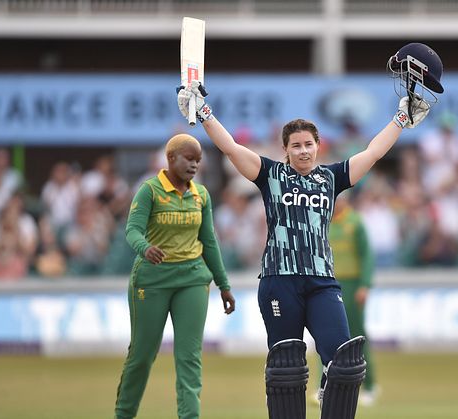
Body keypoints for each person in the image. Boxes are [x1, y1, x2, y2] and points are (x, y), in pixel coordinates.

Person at [177, 42, 441, 419]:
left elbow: (373, 153)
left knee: (345, 363)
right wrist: (202, 112)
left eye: (309, 144)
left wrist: (400, 120)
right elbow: (233, 149)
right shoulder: (271, 175)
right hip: (279, 279)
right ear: (285, 150)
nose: (303, 151)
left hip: (322, 281)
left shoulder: (331, 179)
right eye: (296, 146)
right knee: (287, 369)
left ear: (319, 147)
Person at [114, 133, 236, 419]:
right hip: (152, 279)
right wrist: (145, 248)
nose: (194, 166)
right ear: (170, 159)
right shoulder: (150, 190)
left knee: (189, 358)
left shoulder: (201, 195)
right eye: (188, 159)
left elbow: (209, 241)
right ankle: (123, 415)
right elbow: (132, 230)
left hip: (192, 279)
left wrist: (223, 284)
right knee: (142, 356)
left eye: (198, 161)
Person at [324, 195, 379, 406]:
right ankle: (326, 384)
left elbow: (367, 256)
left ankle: (370, 385)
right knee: (326, 335)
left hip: (352, 285)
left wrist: (364, 285)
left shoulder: (355, 223)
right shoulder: (324, 221)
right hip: (328, 285)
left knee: (356, 336)